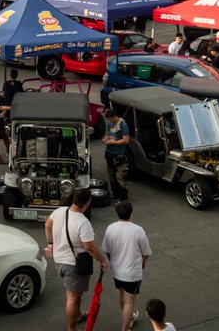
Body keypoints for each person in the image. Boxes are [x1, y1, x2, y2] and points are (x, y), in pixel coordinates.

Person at [45, 188, 109, 331]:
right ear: (87, 203)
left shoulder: (59, 211)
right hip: (73, 265)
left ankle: (78, 315)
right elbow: (89, 247)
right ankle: (71, 328)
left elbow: (47, 224)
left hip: (59, 260)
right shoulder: (83, 222)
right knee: (72, 297)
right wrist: (102, 260)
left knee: (76, 294)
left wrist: (50, 243)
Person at [101, 200, 151, 331]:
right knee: (130, 302)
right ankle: (125, 328)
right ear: (131, 212)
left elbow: (107, 249)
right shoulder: (138, 230)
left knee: (122, 295)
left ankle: (127, 318)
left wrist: (112, 261)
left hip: (117, 271)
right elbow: (146, 252)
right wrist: (142, 264)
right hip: (132, 273)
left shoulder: (110, 228)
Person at [103, 108, 131, 201]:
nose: (109, 121)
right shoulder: (110, 124)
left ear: (114, 117)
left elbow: (126, 140)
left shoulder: (123, 124)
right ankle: (115, 194)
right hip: (109, 153)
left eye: (110, 119)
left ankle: (124, 198)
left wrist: (112, 143)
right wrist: (106, 139)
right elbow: (108, 134)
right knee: (111, 174)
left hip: (118, 154)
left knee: (120, 176)